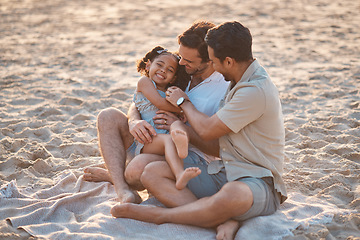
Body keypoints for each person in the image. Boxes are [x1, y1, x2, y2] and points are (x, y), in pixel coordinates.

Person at [110, 21, 288, 240]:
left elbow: (207, 131)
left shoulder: (252, 90)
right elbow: (147, 94)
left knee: (233, 194)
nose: (181, 63)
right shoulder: (232, 75)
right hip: (224, 168)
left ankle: (161, 216)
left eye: (213, 61)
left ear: (228, 61)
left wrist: (183, 104)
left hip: (257, 178)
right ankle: (215, 215)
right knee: (150, 172)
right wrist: (134, 120)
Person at [83, 21, 229, 203]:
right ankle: (122, 189)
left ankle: (114, 175)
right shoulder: (181, 69)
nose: (181, 62)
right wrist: (134, 121)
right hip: (153, 135)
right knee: (108, 116)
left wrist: (182, 127)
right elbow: (143, 100)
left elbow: (221, 148)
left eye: (188, 60)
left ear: (209, 59)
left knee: (134, 171)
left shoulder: (225, 89)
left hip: (188, 152)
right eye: (181, 57)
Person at [128, 45, 202, 190]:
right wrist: (183, 108)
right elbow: (160, 103)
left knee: (176, 127)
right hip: (148, 138)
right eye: (159, 65)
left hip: (164, 135)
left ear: (173, 78)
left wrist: (179, 115)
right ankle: (179, 174)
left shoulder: (170, 91)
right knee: (169, 140)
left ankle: (180, 140)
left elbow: (171, 112)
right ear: (148, 65)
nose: (163, 70)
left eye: (170, 70)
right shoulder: (145, 82)